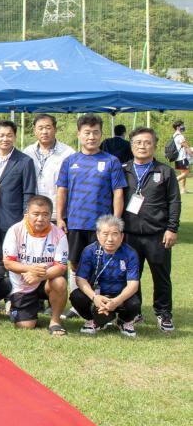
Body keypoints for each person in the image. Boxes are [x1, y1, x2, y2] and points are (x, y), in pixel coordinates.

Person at [121, 127, 179, 332]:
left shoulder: (165, 171)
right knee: (131, 276)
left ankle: (164, 314)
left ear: (154, 145)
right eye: (138, 142)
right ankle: (133, 312)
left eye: (147, 142)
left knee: (161, 275)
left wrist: (171, 229)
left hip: (157, 234)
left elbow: (174, 201)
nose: (142, 146)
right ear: (132, 145)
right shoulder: (123, 169)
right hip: (129, 234)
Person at [56, 114, 126, 274]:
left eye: (95, 132)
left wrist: (115, 220)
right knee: (75, 263)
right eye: (87, 132)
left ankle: (99, 297)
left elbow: (118, 192)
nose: (91, 137)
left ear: (101, 134)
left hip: (102, 224)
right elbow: (62, 190)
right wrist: (60, 218)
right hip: (76, 223)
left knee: (101, 263)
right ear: (79, 134)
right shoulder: (69, 161)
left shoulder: (111, 161)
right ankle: (79, 297)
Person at [3, 195, 70, 334]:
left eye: (45, 215)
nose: (40, 219)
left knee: (60, 282)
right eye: (36, 214)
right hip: (23, 282)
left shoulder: (59, 234)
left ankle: (55, 321)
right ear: (27, 214)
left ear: (51, 215)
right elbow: (8, 263)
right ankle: (15, 306)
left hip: (45, 280)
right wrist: (30, 269)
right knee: (26, 325)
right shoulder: (15, 230)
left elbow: (61, 267)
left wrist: (39, 276)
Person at [70, 215, 141, 336]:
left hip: (119, 295)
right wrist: (94, 298)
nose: (110, 239)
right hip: (97, 294)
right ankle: (93, 321)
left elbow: (133, 284)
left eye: (114, 234)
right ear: (98, 235)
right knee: (76, 296)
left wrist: (116, 301)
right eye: (105, 234)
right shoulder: (89, 251)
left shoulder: (130, 253)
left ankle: (124, 321)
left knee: (134, 303)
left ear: (122, 236)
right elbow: (80, 279)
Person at [0, 120, 37, 243]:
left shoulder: (25, 161)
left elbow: (29, 192)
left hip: (11, 217)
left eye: (9, 135)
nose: (5, 139)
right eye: (1, 135)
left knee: (8, 254)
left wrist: (26, 217)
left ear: (15, 137)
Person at [22, 114, 75, 206]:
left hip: (58, 210)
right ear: (35, 131)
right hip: (34, 211)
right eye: (40, 128)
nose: (44, 132)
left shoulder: (68, 153)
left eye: (48, 127)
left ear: (55, 129)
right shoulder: (27, 152)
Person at [169, 120, 188, 193]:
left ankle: (183, 189)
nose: (183, 127)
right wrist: (191, 154)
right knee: (185, 173)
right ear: (178, 127)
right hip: (182, 157)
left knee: (183, 172)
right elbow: (186, 147)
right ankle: (172, 182)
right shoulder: (180, 136)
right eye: (182, 125)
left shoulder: (175, 135)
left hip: (178, 158)